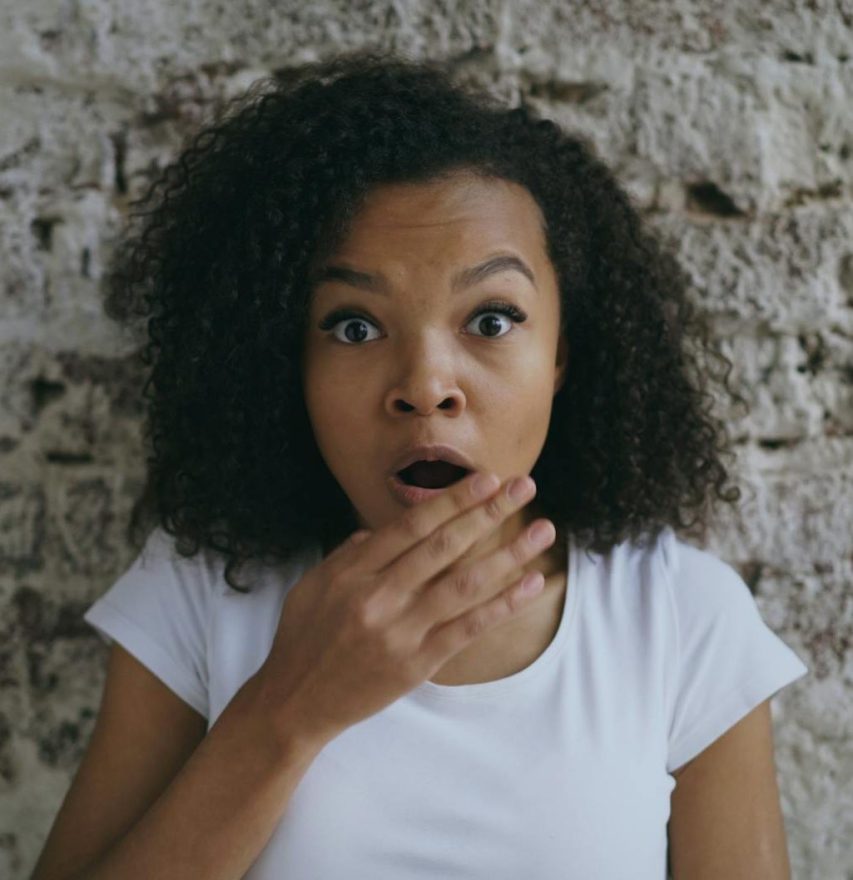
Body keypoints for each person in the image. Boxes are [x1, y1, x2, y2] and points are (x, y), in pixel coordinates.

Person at [31, 50, 808, 880]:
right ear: (286, 363)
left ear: (561, 355)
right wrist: (288, 710)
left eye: (492, 320)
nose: (425, 386)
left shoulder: (681, 618)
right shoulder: (199, 594)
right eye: (355, 327)